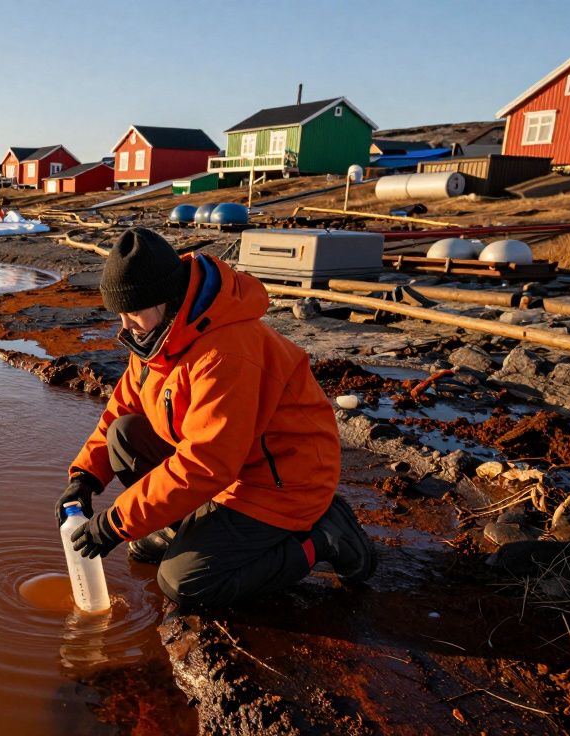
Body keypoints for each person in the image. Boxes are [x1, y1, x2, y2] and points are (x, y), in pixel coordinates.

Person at [56, 227, 376, 608]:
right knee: (123, 436)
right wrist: (84, 478)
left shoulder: (225, 353)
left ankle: (323, 537)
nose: (125, 324)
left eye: (133, 312)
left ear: (165, 298)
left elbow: (206, 463)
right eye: (120, 313)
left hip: (284, 480)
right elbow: (123, 406)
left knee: (183, 582)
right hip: (230, 465)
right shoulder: (157, 334)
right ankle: (185, 527)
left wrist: (115, 523)